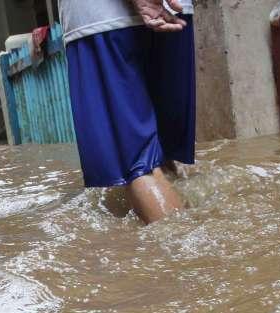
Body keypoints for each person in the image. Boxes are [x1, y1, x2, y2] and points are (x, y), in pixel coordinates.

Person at [60, 0, 196, 224]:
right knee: (165, 156)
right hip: (176, 10)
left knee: (138, 165)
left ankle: (194, 257)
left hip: (103, 18)